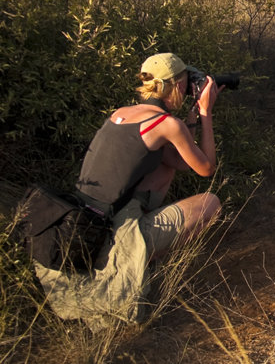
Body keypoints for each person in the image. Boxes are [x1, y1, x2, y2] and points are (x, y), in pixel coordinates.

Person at [34, 53, 223, 328]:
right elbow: (206, 168)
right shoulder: (167, 124)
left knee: (164, 165)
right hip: (114, 227)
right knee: (211, 204)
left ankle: (143, 253)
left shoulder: (120, 114)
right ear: (177, 85)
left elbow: (178, 162)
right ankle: (144, 264)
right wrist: (205, 113)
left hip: (84, 214)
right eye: (186, 81)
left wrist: (190, 117)